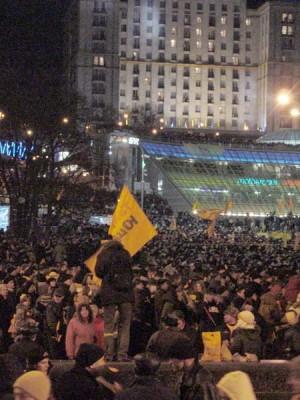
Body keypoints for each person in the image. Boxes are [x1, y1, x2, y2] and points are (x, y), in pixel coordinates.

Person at [95, 240, 134, 361]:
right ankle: (122, 354)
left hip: (109, 293)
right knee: (125, 325)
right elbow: (131, 273)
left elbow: (98, 272)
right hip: (126, 294)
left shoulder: (104, 254)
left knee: (109, 325)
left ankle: (109, 354)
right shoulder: (126, 254)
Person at [45, 287, 66, 359]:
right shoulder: (51, 306)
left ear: (63, 297)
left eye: (59, 296)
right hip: (53, 332)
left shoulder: (63, 306)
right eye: (56, 296)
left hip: (60, 331)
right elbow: (51, 321)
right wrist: (55, 332)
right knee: (54, 350)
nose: (57, 298)